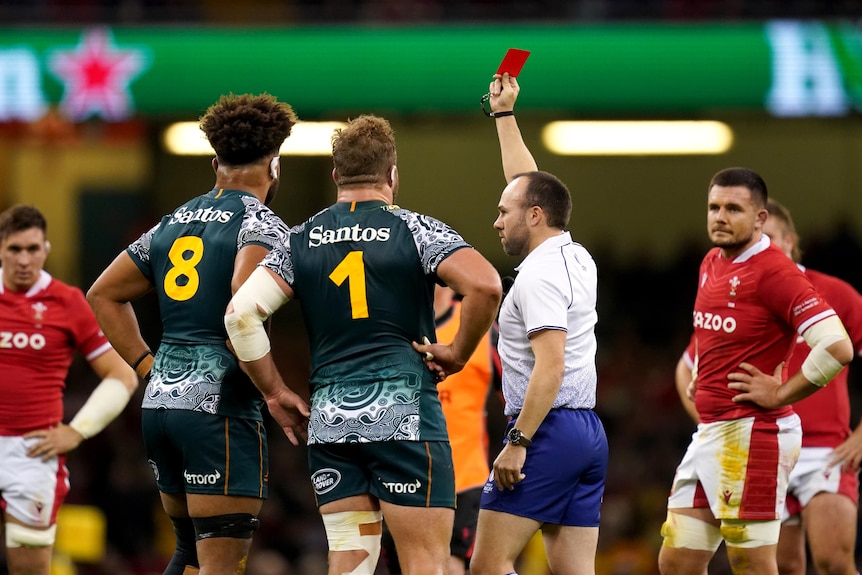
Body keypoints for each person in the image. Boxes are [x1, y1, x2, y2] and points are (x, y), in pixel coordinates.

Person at [224, 114, 503, 575]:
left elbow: (240, 314)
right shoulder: (416, 230)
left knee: (351, 563)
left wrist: (274, 392)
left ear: (336, 175)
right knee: (426, 563)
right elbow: (487, 286)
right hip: (405, 417)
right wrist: (455, 352)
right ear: (392, 175)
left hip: (332, 421)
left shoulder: (300, 239)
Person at [86, 93, 308, 575]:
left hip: (161, 405)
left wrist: (147, 366)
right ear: (275, 166)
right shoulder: (262, 224)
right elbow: (240, 311)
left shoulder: (173, 221)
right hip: (219, 411)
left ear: (214, 163)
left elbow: (102, 293)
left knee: (189, 552)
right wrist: (274, 390)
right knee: (221, 564)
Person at [658, 169, 854, 575]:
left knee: (754, 565)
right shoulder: (712, 261)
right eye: (714, 207)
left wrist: (781, 394)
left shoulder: (775, 272)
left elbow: (838, 346)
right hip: (711, 433)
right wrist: (706, 374)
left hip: (754, 436)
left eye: (734, 209)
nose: (720, 217)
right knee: (677, 562)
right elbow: (712, 335)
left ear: (761, 218)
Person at [468, 72, 609, 575]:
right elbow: (530, 185)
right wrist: (504, 115)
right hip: (586, 431)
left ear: (532, 217)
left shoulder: (537, 280)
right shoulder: (574, 254)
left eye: (503, 212)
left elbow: (548, 367)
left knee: (487, 565)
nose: (496, 221)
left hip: (545, 430)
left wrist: (518, 443)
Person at [0, 204, 138, 575]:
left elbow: (122, 375)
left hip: (32, 453)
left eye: (32, 248)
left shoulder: (67, 303)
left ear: (46, 249)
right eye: (15, 249)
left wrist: (76, 431)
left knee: (29, 568)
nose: (24, 259)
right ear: (1, 250)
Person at [380, 285, 502, 575]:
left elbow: (517, 399)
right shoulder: (388, 327)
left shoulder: (483, 331)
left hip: (463, 479)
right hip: (397, 478)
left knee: (449, 566)